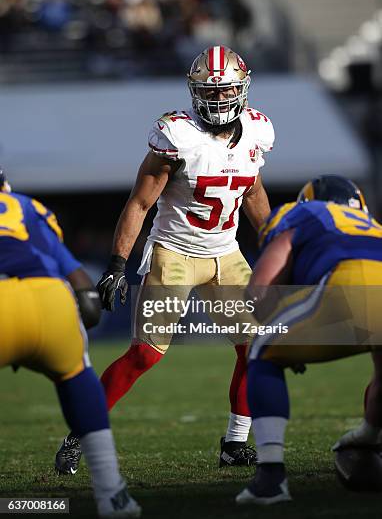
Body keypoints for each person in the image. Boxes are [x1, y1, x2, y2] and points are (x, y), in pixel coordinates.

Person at [55, 45, 275, 474]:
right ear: (194, 93)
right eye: (208, 93)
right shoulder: (177, 136)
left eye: (225, 91)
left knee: (258, 349)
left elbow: (253, 192)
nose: (217, 101)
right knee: (145, 355)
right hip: (175, 252)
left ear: (243, 90)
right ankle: (79, 433)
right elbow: (139, 202)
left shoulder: (257, 131)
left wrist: (275, 242)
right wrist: (118, 263)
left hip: (226, 253)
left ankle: (234, 444)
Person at [0, 169, 141, 518]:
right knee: (78, 376)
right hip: (49, 299)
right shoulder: (27, 206)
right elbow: (79, 281)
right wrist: (81, 317)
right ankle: (113, 494)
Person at [236, 174, 382, 506]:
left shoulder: (301, 213)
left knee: (261, 348)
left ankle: (270, 479)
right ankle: (368, 439)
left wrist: (285, 338)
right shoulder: (373, 225)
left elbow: (260, 292)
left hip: (350, 282)